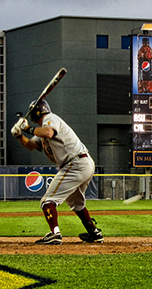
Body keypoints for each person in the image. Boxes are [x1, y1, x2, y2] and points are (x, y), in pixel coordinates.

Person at [11, 100, 103, 245]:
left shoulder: (50, 118)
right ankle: (94, 233)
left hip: (75, 163)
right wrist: (19, 136)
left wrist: (28, 128)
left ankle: (55, 234)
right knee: (76, 203)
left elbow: (48, 132)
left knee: (47, 201)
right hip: (83, 162)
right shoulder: (43, 127)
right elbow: (32, 145)